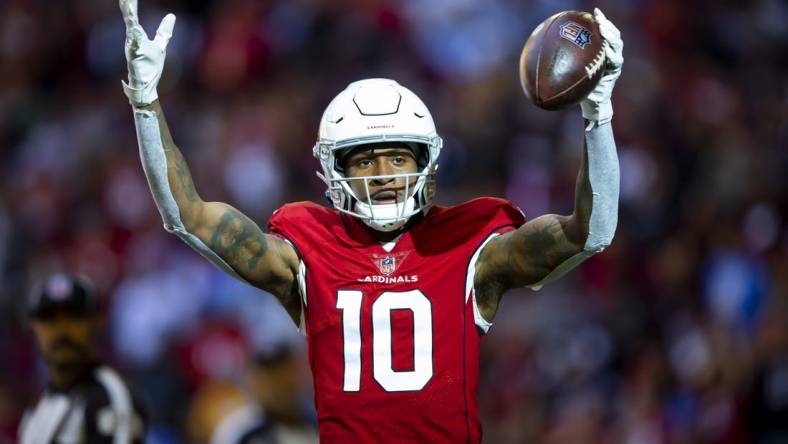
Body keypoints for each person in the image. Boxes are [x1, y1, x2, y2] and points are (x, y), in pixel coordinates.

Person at [119, 0, 623, 441]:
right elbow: (189, 218)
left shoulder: (471, 245)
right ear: (335, 169)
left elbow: (591, 233)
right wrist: (147, 106)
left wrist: (597, 116)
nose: (383, 175)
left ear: (425, 163)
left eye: (399, 158)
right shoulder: (308, 248)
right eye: (364, 160)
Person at [18, 273, 146, 444]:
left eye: (73, 316)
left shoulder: (111, 397)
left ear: (96, 323)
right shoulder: (36, 410)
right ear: (33, 328)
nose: (62, 329)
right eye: (49, 318)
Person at [210, 343, 318, 444]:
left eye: (283, 375)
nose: (278, 387)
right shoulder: (238, 430)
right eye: (270, 378)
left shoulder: (314, 423)